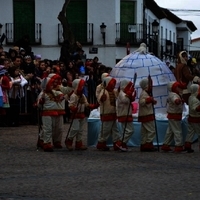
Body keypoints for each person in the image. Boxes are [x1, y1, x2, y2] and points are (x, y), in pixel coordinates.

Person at [37, 73, 73, 152]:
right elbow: (39, 104)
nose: (56, 82)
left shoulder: (58, 90)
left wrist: (70, 86)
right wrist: (40, 102)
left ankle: (56, 141)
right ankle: (45, 142)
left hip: (59, 110)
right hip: (47, 112)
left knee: (59, 128)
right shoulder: (43, 93)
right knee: (48, 128)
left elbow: (63, 95)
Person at [65, 78, 99, 151]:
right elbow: (70, 105)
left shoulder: (82, 95)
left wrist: (93, 106)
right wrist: (73, 108)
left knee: (80, 130)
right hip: (75, 115)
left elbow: (86, 104)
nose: (83, 87)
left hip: (82, 114)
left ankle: (78, 143)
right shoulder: (74, 95)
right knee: (75, 129)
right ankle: (69, 140)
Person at [96, 76, 121, 151]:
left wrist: (119, 90)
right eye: (112, 84)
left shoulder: (113, 91)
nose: (113, 85)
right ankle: (101, 142)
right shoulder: (104, 91)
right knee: (105, 129)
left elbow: (116, 94)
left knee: (115, 129)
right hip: (106, 113)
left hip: (113, 113)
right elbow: (99, 100)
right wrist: (102, 99)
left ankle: (116, 142)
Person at [161, 81, 186, 153]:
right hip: (174, 115)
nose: (179, 89)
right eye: (178, 87)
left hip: (173, 115)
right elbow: (176, 101)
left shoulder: (174, 94)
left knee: (170, 131)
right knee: (177, 131)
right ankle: (179, 146)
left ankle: (166, 144)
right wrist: (179, 101)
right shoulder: (173, 95)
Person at [116, 79, 136, 151]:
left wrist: (131, 95)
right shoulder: (121, 93)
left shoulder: (124, 93)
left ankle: (123, 144)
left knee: (126, 130)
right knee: (130, 130)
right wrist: (130, 93)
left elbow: (129, 100)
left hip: (126, 113)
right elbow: (125, 100)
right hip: (124, 114)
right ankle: (121, 142)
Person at [138, 78, 157, 152]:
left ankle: (144, 143)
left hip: (146, 114)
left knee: (145, 131)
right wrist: (148, 100)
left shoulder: (146, 93)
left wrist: (152, 101)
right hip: (147, 114)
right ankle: (148, 144)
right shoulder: (144, 93)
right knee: (151, 130)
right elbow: (141, 102)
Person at [184, 84, 200, 153]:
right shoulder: (195, 99)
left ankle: (187, 145)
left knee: (190, 133)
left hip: (191, 117)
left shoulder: (191, 97)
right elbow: (195, 109)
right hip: (196, 118)